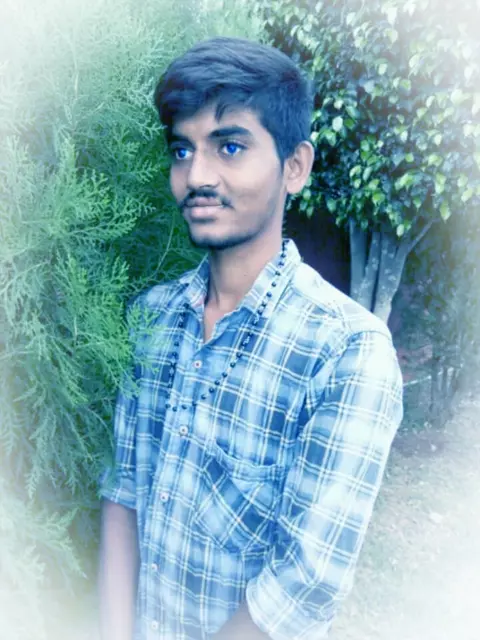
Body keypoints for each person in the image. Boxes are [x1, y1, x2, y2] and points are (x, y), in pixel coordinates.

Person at [98, 36, 404, 640]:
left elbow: (302, 587)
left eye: (230, 146)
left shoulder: (346, 352)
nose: (196, 176)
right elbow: (122, 498)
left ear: (295, 167)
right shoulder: (151, 319)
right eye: (182, 150)